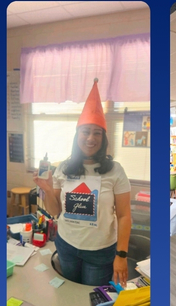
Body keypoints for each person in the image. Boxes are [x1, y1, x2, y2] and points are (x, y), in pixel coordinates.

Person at [32, 79, 131, 286]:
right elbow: (54, 212)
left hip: (100, 251)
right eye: (86, 131)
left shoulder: (115, 170)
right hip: (66, 246)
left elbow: (124, 215)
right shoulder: (63, 168)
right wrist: (49, 191)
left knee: (90, 302)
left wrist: (121, 255)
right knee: (70, 298)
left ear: (103, 138)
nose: (90, 138)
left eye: (97, 133)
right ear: (77, 135)